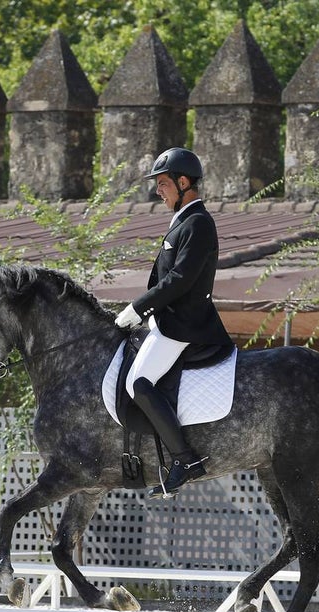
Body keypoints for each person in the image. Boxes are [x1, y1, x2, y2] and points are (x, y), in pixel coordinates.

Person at [114, 147, 234, 498]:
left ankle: (184, 458)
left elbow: (180, 279)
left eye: (164, 183)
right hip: (168, 320)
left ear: (184, 182)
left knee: (138, 382)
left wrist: (138, 307)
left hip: (185, 324)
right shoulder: (183, 220)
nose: (158, 191)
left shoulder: (198, 222)